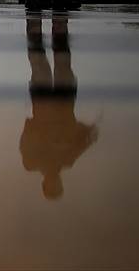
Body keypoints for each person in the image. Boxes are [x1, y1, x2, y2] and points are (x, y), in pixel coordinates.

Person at [20, 15, 98, 200]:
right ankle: (53, 26)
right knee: (60, 59)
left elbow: (26, 134)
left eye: (52, 186)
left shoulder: (32, 162)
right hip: (62, 103)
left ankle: (37, 26)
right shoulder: (68, 159)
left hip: (44, 104)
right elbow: (87, 136)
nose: (55, 182)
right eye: (57, 186)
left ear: (45, 184)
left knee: (40, 60)